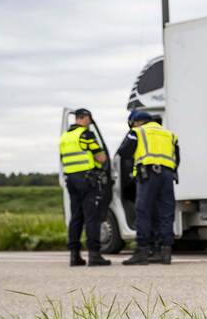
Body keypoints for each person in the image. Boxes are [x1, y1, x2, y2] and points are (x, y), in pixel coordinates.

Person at [117, 111, 179, 265]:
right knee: (165, 213)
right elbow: (177, 159)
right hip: (167, 176)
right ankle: (164, 252)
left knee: (143, 212)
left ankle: (142, 252)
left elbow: (123, 152)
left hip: (148, 175)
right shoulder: (169, 134)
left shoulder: (137, 132)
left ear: (137, 122)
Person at [59, 108, 111, 266]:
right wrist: (101, 163)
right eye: (90, 119)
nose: (90, 122)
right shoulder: (86, 134)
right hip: (87, 180)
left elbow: (63, 159)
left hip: (71, 180)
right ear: (85, 118)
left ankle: (74, 256)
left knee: (76, 217)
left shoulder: (65, 137)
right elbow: (101, 157)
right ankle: (94, 255)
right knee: (91, 217)